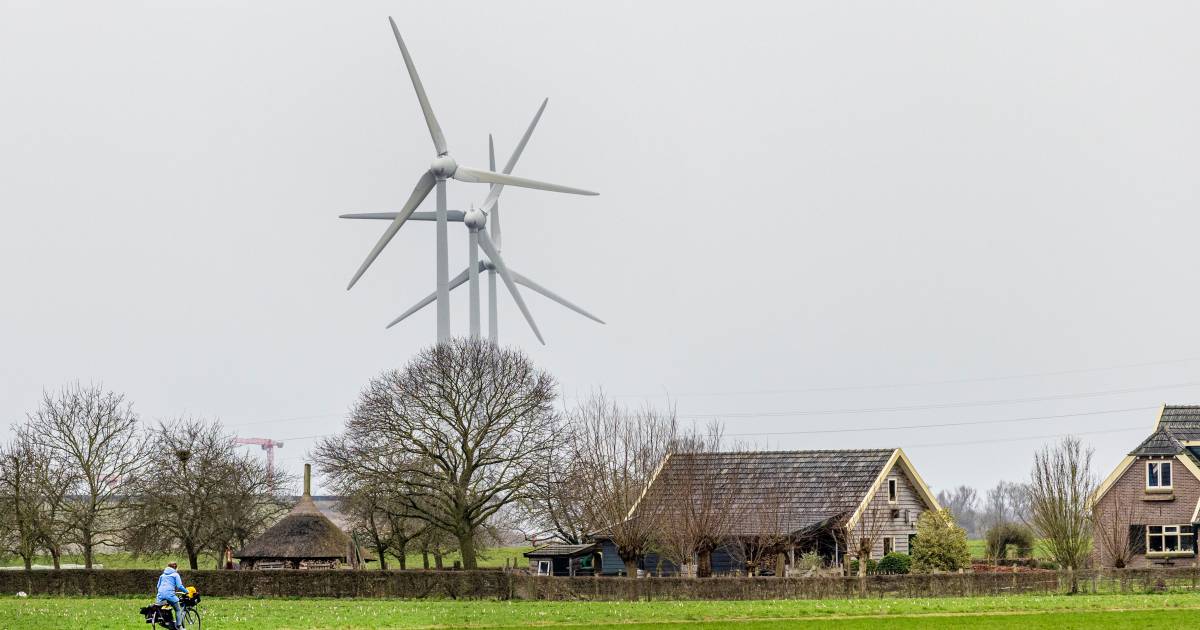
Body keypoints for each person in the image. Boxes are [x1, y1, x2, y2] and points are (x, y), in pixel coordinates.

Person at [155, 562, 188, 629]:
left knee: (166, 608)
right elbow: (179, 586)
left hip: (160, 596)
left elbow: (158, 586)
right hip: (170, 595)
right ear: (175, 567)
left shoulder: (162, 575)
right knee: (178, 610)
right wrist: (186, 591)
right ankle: (179, 626)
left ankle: (168, 622)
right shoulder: (175, 574)